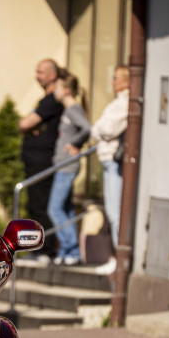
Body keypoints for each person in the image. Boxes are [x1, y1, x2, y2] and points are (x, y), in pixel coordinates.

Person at [18, 58, 64, 259]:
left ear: (53, 75)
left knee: (41, 205)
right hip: (36, 159)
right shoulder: (46, 100)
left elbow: (25, 124)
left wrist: (29, 126)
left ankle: (45, 250)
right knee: (35, 205)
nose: (37, 76)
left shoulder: (52, 100)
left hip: (42, 160)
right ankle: (39, 249)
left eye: (41, 72)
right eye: (36, 72)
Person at [47, 72, 90, 266]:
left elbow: (87, 128)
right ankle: (67, 251)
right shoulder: (69, 110)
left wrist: (75, 144)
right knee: (65, 209)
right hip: (62, 165)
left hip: (67, 166)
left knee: (54, 209)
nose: (54, 90)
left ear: (66, 90)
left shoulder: (73, 109)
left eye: (57, 87)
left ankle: (72, 248)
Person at [90, 65, 130, 274]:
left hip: (114, 160)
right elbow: (96, 129)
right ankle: (114, 255)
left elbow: (106, 129)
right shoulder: (116, 103)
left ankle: (118, 258)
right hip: (106, 159)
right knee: (111, 210)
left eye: (115, 78)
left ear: (126, 80)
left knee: (115, 212)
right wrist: (100, 130)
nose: (112, 82)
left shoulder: (125, 103)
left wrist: (101, 130)